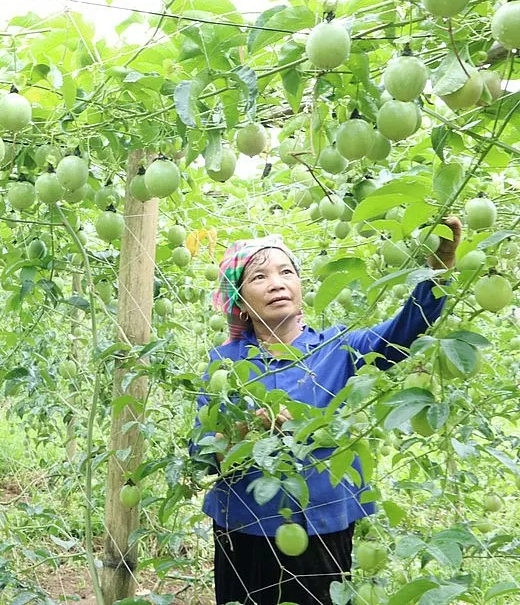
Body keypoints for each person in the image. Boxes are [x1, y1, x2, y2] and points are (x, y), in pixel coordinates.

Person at [193, 218, 461, 605]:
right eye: (259, 276)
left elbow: (406, 329)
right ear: (240, 302)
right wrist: (242, 433)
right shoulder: (223, 365)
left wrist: (439, 267)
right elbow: (201, 451)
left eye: (286, 271)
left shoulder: (339, 347)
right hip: (245, 526)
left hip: (324, 521)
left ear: (301, 286)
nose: (277, 283)